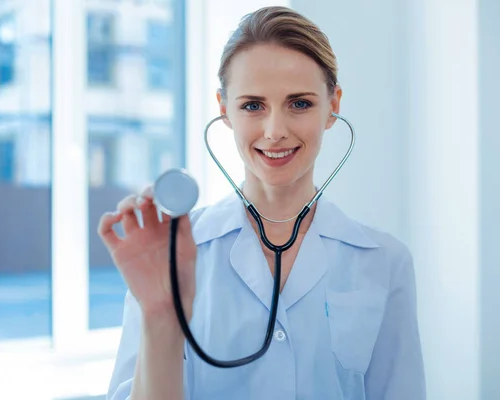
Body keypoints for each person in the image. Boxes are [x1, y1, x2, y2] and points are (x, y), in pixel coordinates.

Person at [98, 6, 426, 400]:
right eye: (253, 105)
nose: (275, 132)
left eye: (299, 103)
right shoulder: (167, 256)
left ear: (333, 105)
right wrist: (160, 315)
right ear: (224, 110)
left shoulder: (384, 261)